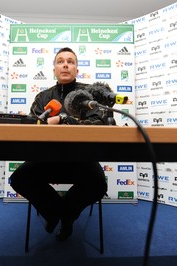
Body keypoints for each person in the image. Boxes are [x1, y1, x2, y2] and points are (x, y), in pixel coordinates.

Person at [10, 47, 108, 241]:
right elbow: (33, 127)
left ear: (76, 70)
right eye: (60, 61)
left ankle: (66, 218)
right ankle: (57, 213)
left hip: (81, 159)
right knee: (19, 179)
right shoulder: (43, 98)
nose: (65, 64)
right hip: (46, 159)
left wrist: (64, 120)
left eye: (70, 61)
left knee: (98, 184)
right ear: (54, 69)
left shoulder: (90, 95)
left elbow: (98, 123)